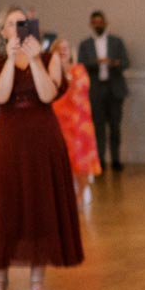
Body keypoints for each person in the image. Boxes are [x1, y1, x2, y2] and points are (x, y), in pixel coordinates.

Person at [0, 6, 83, 290]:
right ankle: (0, 280)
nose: (18, 27)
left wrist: (35, 58)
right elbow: (0, 96)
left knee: (40, 204)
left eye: (22, 23)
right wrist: (12, 60)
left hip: (42, 137)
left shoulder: (49, 59)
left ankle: (38, 280)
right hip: (8, 137)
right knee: (3, 206)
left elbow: (48, 95)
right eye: (11, 24)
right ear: (3, 32)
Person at [77, 10, 129, 171]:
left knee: (115, 126)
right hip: (95, 89)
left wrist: (113, 63)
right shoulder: (85, 44)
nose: (98, 24)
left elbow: (126, 62)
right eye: (95, 22)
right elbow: (81, 65)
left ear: (105, 23)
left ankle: (115, 159)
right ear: (91, 24)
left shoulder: (116, 42)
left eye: (101, 21)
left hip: (114, 88)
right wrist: (96, 63)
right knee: (98, 127)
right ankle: (99, 159)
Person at [50, 37, 101, 202]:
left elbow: (82, 90)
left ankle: (79, 197)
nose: (63, 51)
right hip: (58, 121)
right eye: (59, 48)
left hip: (79, 123)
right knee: (61, 161)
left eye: (65, 48)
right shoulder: (49, 71)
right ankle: (63, 197)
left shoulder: (79, 69)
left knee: (82, 162)